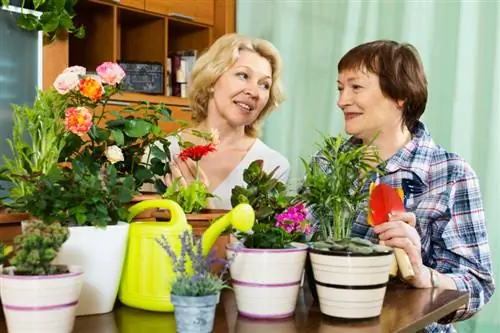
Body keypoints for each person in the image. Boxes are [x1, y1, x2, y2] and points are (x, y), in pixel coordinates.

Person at [308, 40, 494, 332]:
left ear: (401, 96)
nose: (342, 101)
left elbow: (478, 286)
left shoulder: (451, 174)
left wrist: (422, 275)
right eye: (340, 88)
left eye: (356, 87)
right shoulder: (325, 164)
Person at [143, 33, 290, 210]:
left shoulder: (272, 166)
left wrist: (206, 212)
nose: (255, 92)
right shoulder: (161, 151)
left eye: (264, 85)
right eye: (243, 75)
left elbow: (258, 238)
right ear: (212, 80)